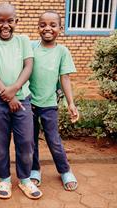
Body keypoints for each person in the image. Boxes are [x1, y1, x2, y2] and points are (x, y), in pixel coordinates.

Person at [0, 2, 42, 200]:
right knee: (1, 142)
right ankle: (4, 178)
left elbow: (28, 66)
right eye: (0, 21)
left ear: (16, 21)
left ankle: (24, 179)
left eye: (10, 21)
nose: (5, 25)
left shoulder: (23, 40)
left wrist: (14, 92)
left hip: (22, 100)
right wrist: (8, 95)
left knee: (26, 141)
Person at [29, 10, 79, 191]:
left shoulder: (62, 51)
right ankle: (34, 169)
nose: (47, 29)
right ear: (38, 27)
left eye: (52, 25)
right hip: (29, 103)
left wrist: (70, 103)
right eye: (43, 25)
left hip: (49, 104)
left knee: (53, 139)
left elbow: (64, 78)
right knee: (30, 140)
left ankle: (65, 170)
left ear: (60, 28)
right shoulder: (31, 47)